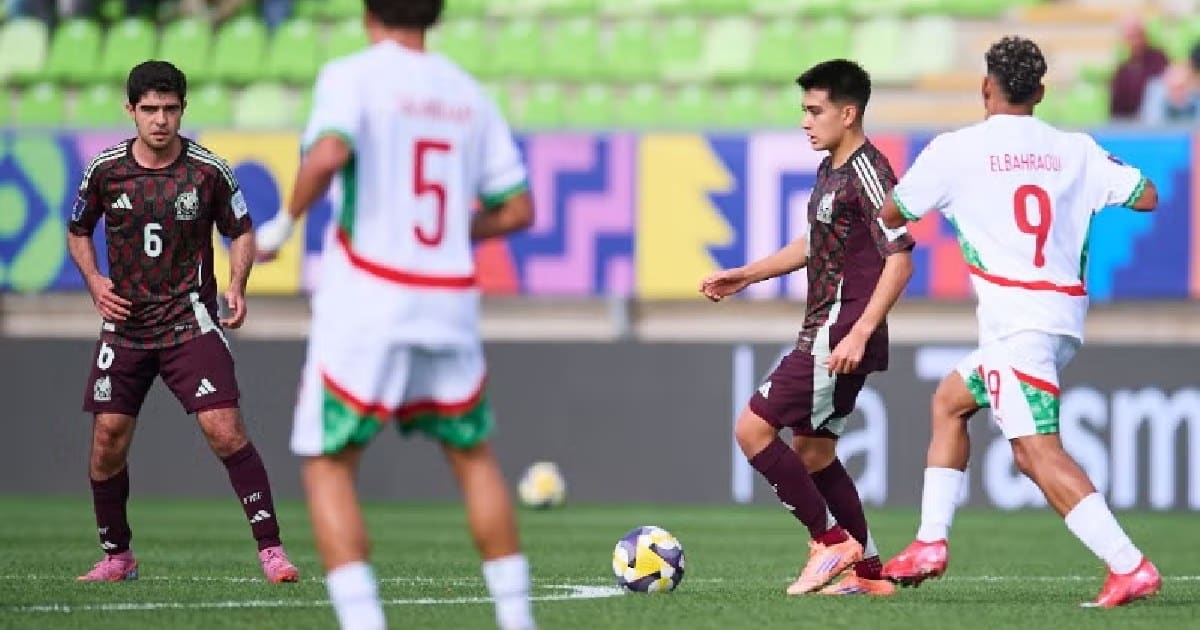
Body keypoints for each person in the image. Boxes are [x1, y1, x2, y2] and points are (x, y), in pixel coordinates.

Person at [253, 1, 535, 628]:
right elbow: (518, 210)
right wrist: (453, 233)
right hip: (447, 297)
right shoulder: (468, 93)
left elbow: (328, 153)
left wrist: (282, 225)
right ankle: (517, 619)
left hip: (368, 296)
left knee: (330, 464)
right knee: (473, 458)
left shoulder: (352, 76)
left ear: (368, 10)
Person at [878, 36, 1161, 609]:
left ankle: (1129, 565)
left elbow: (892, 212)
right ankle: (930, 542)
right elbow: (1147, 196)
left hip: (1018, 323)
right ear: (1041, 92)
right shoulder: (1075, 149)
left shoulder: (956, 150)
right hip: (1060, 320)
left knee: (1035, 453)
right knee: (951, 401)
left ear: (986, 87)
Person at [66, 60, 299, 584]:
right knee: (107, 438)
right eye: (149, 109)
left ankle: (272, 551)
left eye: (170, 109)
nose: (160, 120)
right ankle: (117, 556)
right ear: (131, 110)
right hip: (126, 324)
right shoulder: (105, 169)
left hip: (188, 320)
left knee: (225, 430)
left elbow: (241, 229)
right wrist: (95, 282)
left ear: (183, 109)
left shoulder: (207, 170)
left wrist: (237, 284)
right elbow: (77, 229)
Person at [700, 59, 915, 596]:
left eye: (815, 111)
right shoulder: (831, 170)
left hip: (838, 333)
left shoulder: (869, 172)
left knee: (752, 429)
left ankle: (830, 541)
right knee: (815, 453)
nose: (805, 122)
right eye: (804, 110)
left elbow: (900, 258)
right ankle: (868, 574)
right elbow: (814, 244)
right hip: (828, 330)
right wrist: (746, 274)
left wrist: (860, 331)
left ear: (849, 113)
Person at [1109, 15, 1169, 119]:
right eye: (1130, 37)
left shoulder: (1159, 58)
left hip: (1155, 120)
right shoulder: (1122, 68)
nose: (1135, 41)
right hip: (1129, 121)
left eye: (1137, 35)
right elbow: (1117, 105)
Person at [1138, 44, 1200, 125]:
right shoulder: (1158, 90)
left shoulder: (1196, 94)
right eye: (1173, 88)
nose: (1178, 93)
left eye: (1181, 88)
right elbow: (1151, 125)